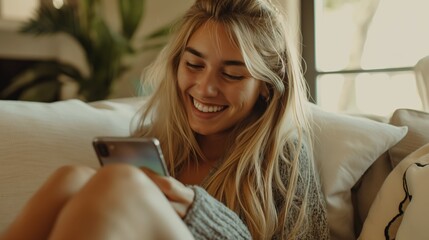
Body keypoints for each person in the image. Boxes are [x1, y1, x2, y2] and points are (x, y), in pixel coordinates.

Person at [1, 0, 329, 239]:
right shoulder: (158, 142)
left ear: (266, 90)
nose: (206, 88)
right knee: (70, 178)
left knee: (121, 183)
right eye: (194, 65)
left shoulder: (283, 159)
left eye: (231, 74)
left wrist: (198, 213)